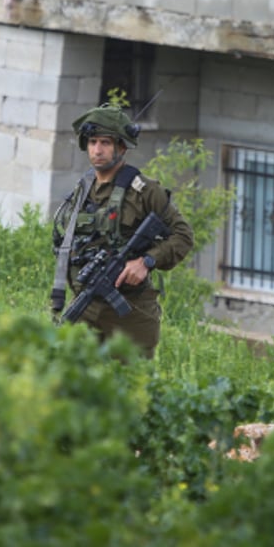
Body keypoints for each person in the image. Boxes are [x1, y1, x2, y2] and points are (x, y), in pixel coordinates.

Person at [51, 104, 193, 359]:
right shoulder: (83, 189)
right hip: (85, 305)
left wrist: (147, 261)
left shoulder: (145, 191)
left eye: (105, 142)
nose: (97, 150)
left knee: (132, 392)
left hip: (130, 315)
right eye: (93, 142)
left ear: (122, 147)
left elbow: (182, 235)